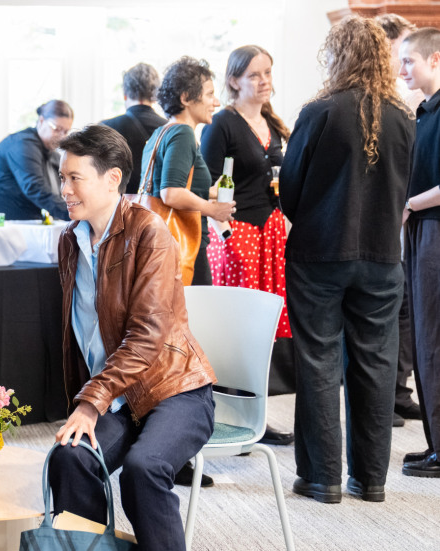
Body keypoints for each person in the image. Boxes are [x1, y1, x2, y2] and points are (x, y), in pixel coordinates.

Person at [48, 124, 216, 551]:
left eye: (74, 178)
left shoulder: (150, 233)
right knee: (71, 458)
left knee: (144, 468)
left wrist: (89, 403)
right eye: (62, 177)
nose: (64, 189)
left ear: (112, 178)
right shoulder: (71, 240)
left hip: (175, 390)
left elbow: (147, 336)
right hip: (118, 398)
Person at [281, 16, 413, 503]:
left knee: (318, 363)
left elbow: (289, 192)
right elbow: (407, 188)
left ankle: (323, 479)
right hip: (383, 258)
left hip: (319, 254)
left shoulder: (320, 111)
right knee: (377, 366)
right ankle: (372, 480)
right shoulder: (404, 117)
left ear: (336, 55)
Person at [199, 45, 295, 446]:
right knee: (237, 328)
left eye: (268, 73)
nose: (265, 81)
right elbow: (203, 184)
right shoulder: (222, 123)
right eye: (255, 75)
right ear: (234, 80)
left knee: (264, 329)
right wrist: (224, 225)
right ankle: (226, 416)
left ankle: (257, 416)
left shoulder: (273, 122)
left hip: (271, 234)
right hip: (237, 234)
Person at [141, 57, 235, 286]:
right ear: (186, 98)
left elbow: (170, 186)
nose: (217, 102)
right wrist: (213, 210)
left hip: (162, 243)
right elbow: (171, 193)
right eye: (210, 94)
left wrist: (209, 192)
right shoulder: (183, 133)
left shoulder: (161, 133)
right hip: (181, 246)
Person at [376, 13, 423, 426]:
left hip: (411, 217)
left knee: (406, 309)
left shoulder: (412, 96)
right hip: (389, 218)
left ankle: (398, 388)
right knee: (389, 310)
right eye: (403, 49)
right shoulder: (387, 99)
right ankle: (382, 393)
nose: (407, 60)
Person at [399, 27, 440, 478]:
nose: (401, 70)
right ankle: (435, 443)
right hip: (422, 230)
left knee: (434, 342)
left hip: (434, 230)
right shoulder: (423, 111)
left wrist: (408, 204)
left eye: (409, 60)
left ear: (435, 59)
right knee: (426, 339)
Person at [0, 100, 73, 221]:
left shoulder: (53, 156)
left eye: (66, 132)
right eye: (57, 129)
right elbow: (34, 187)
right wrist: (72, 214)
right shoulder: (23, 145)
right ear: (41, 121)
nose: (62, 136)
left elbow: (63, 189)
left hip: (9, 223)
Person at [101, 63, 167, 194]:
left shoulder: (106, 128)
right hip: (156, 209)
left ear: (125, 93)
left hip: (116, 208)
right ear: (155, 94)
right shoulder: (170, 129)